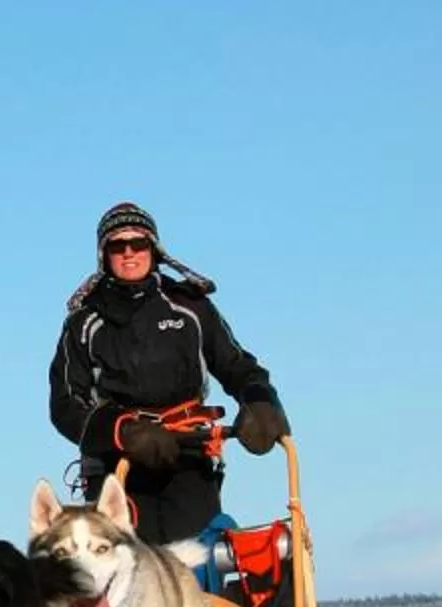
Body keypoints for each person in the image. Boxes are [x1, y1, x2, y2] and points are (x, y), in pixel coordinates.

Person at [48, 202, 288, 548]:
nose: (129, 253)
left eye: (138, 244)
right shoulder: (84, 323)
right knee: (130, 580)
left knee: (197, 567)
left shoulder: (189, 307)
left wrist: (261, 403)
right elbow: (65, 406)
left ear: (154, 249)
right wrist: (124, 431)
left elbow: (239, 366)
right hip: (121, 470)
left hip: (188, 456)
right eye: (118, 245)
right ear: (104, 255)